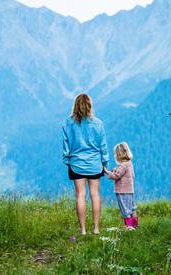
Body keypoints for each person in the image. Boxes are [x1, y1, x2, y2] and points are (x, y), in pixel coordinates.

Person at [62, 93, 109, 235]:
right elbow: (103, 146)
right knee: (95, 195)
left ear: (75, 106)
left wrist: (67, 160)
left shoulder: (68, 123)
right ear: (90, 106)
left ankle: (83, 230)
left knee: (80, 195)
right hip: (95, 164)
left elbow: (66, 145)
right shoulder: (98, 123)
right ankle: (96, 228)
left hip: (76, 164)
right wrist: (105, 163)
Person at [105, 142, 138, 230]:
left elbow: (116, 176)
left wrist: (106, 171)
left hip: (122, 191)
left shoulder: (123, 165)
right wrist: (116, 169)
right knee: (132, 208)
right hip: (130, 190)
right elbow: (132, 175)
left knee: (125, 210)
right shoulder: (129, 163)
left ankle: (129, 227)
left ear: (118, 154)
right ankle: (135, 225)